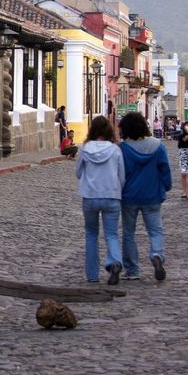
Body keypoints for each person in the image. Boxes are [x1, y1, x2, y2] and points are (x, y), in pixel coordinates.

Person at [118, 112, 172, 282]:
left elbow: (119, 172)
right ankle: (157, 254)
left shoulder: (123, 148)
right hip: (152, 195)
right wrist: (166, 186)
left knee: (129, 233)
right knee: (155, 230)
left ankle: (132, 270)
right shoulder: (158, 146)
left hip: (129, 196)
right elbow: (165, 170)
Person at [75, 116, 125, 284]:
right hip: (111, 196)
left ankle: (92, 275)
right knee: (111, 233)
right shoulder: (115, 150)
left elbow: (78, 173)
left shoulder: (85, 149)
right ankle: (115, 261)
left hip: (90, 196)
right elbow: (122, 176)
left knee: (91, 235)